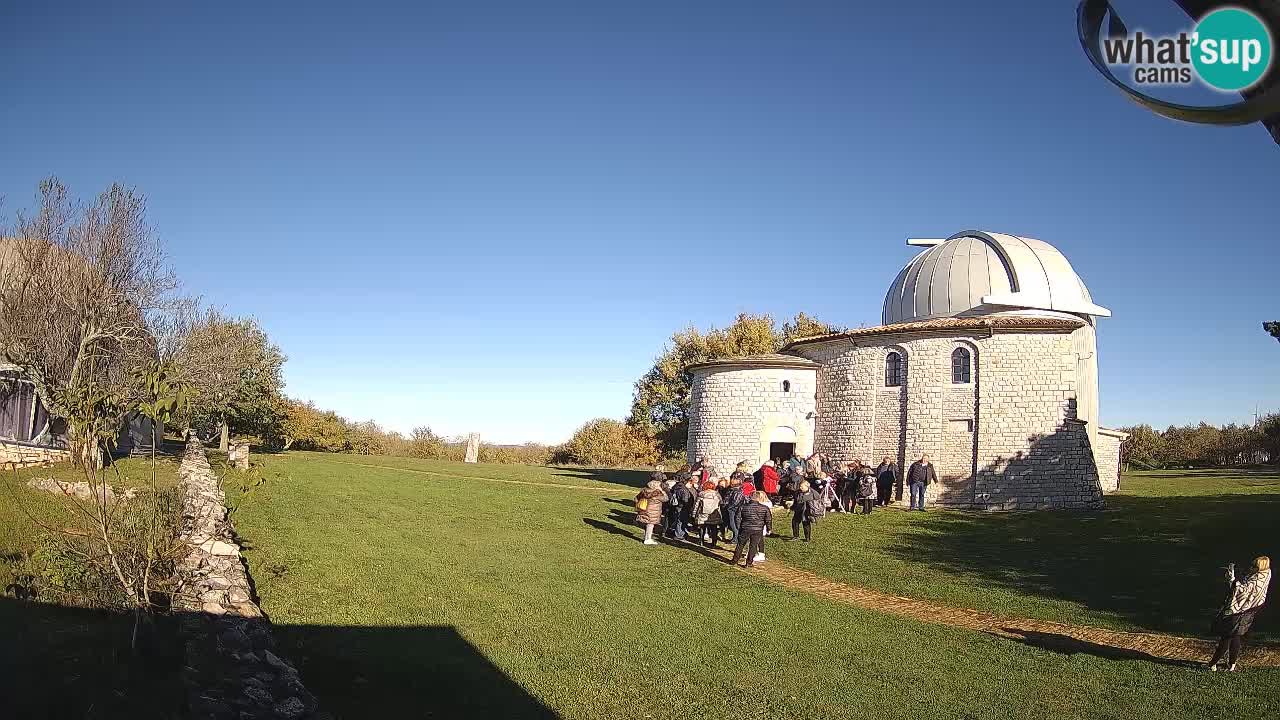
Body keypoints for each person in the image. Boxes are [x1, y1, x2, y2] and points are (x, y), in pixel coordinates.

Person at [1207, 556, 1272, 671]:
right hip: (1252, 609)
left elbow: (1242, 591)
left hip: (1241, 610)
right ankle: (1232, 664)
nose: (1251, 568)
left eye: (1254, 566)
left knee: (1227, 636)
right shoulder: (1267, 573)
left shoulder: (1256, 580)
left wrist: (1232, 581)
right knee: (1236, 634)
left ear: (1260, 568)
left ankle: (1213, 663)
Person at [732, 490, 773, 568]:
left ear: (750, 497)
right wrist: (769, 529)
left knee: (740, 545)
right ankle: (749, 562)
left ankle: (735, 560)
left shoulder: (743, 506)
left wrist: (738, 526)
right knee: (753, 546)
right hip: (758, 529)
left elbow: (737, 517)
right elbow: (768, 519)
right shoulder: (764, 508)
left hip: (745, 528)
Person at [634, 479, 668, 545]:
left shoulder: (644, 492)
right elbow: (666, 499)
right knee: (650, 525)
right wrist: (662, 491)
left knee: (647, 523)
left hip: (644, 509)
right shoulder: (657, 494)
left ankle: (647, 537)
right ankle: (647, 539)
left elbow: (636, 498)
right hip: (653, 512)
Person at [692, 481, 723, 548]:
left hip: (703, 513)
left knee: (702, 527)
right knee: (714, 528)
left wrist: (694, 514)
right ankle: (713, 543)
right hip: (713, 514)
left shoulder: (701, 494)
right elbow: (721, 502)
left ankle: (701, 541)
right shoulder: (717, 494)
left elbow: (696, 505)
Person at [665, 474, 695, 540]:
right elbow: (685, 500)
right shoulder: (684, 489)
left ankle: (675, 532)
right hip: (682, 507)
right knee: (681, 521)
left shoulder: (676, 486)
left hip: (676, 505)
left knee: (677, 520)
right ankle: (678, 535)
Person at [721, 476, 745, 542]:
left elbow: (736, 501)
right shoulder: (732, 490)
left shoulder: (738, 491)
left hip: (733, 509)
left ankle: (736, 537)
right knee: (731, 523)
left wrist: (729, 507)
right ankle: (735, 537)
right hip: (729, 507)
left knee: (732, 523)